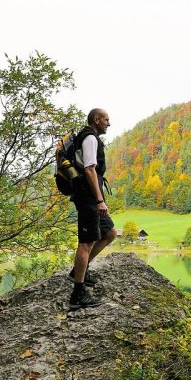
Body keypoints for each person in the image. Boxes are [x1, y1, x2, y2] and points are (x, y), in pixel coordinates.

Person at [68, 108, 117, 310]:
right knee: (86, 243)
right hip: (88, 197)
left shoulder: (91, 136)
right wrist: (98, 200)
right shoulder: (89, 138)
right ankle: (77, 294)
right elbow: (89, 169)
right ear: (96, 120)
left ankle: (79, 271)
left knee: (110, 233)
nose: (109, 123)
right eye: (106, 119)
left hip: (93, 196)